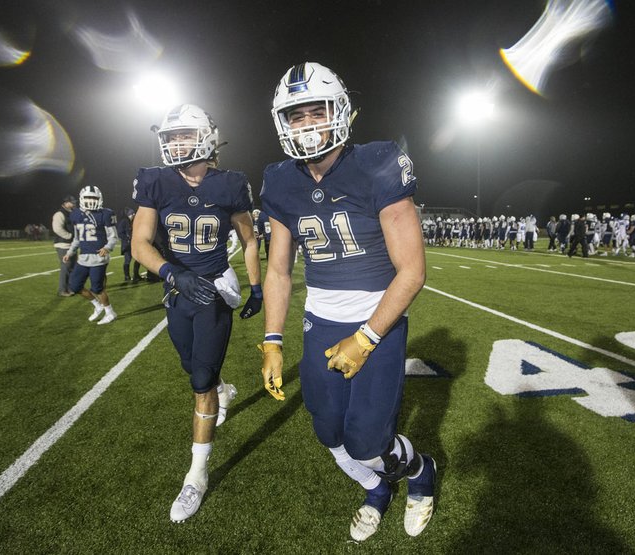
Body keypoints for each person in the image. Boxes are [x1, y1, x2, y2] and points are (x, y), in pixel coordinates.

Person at [259, 62, 436, 542]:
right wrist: (272, 340)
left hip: (376, 319)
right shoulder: (280, 180)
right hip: (320, 321)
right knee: (327, 433)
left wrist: (366, 337)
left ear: (340, 112)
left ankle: (420, 473)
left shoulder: (377, 162)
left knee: (365, 440)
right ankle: (378, 487)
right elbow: (277, 270)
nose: (309, 124)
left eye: (318, 112)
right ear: (283, 123)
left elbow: (413, 272)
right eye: (297, 116)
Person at [130, 103, 262, 523]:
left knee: (199, 382)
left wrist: (256, 286)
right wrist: (171, 272)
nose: (175, 142)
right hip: (177, 290)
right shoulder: (155, 181)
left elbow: (250, 238)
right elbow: (139, 244)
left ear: (206, 136)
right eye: (170, 137)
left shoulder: (230, 184)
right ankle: (222, 389)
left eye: (184, 134)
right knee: (192, 368)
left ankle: (196, 474)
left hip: (214, 289)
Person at [64, 186, 118, 325]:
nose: (90, 201)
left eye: (93, 198)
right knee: (75, 286)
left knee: (98, 288)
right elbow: (77, 238)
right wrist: (70, 252)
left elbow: (113, 237)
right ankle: (97, 306)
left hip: (99, 258)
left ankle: (110, 312)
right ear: (82, 199)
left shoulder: (105, 214)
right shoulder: (76, 214)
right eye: (88, 198)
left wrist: (107, 247)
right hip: (83, 258)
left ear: (99, 199)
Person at [52, 195, 77, 296]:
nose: (74, 203)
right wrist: (69, 236)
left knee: (73, 267)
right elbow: (57, 228)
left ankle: (70, 288)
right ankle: (62, 290)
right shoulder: (59, 214)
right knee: (66, 267)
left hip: (71, 244)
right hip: (63, 245)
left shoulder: (71, 213)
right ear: (66, 203)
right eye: (72, 202)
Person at [116, 207, 141, 282]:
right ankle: (127, 276)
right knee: (127, 260)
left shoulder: (134, 221)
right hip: (127, 245)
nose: (134, 214)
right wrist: (127, 239)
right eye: (132, 213)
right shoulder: (124, 221)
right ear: (128, 214)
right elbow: (120, 233)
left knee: (138, 259)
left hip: (135, 244)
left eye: (134, 213)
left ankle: (136, 275)